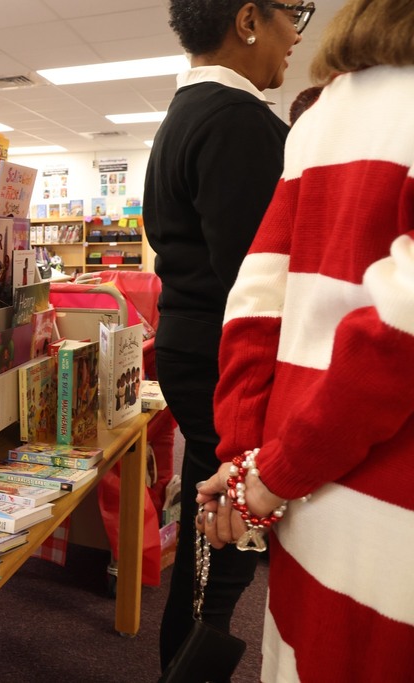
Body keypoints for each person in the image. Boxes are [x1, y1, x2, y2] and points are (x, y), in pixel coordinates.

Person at [196, 1, 414, 679]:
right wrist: (268, 475)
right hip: (386, 523)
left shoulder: (317, 118)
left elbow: (255, 303)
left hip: (309, 500)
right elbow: (399, 333)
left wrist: (246, 461)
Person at [141, 0, 309, 669]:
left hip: (194, 348)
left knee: (213, 531)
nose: (297, 32)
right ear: (248, 18)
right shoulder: (237, 123)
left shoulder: (185, 114)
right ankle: (185, 669)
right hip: (224, 359)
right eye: (292, 12)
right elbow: (258, 278)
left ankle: (178, 660)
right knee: (226, 540)